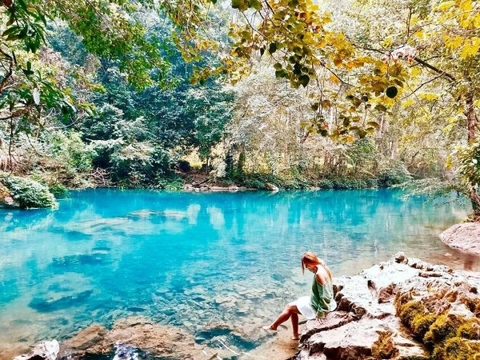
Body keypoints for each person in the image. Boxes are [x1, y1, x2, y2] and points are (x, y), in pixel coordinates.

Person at [263, 252, 337, 340]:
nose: (306, 268)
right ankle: (295, 335)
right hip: (324, 302)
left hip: (319, 306)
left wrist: (321, 313)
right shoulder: (322, 264)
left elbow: (325, 296)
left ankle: (273, 327)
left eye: (306, 265)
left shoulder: (319, 274)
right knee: (294, 305)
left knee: (289, 307)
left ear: (311, 263)